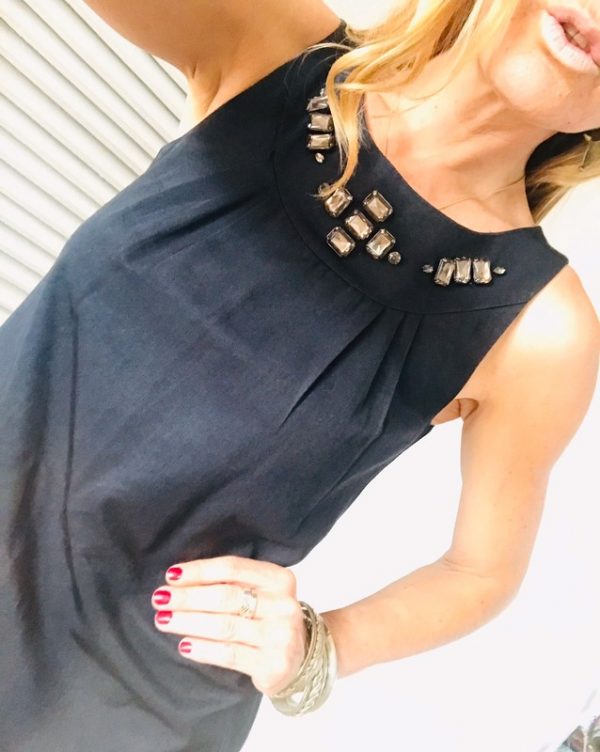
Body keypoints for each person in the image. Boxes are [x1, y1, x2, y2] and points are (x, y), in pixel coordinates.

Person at [0, 1, 599, 750]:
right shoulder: (272, 44)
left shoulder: (543, 329)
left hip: (111, 709)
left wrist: (322, 648)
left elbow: (481, 571)